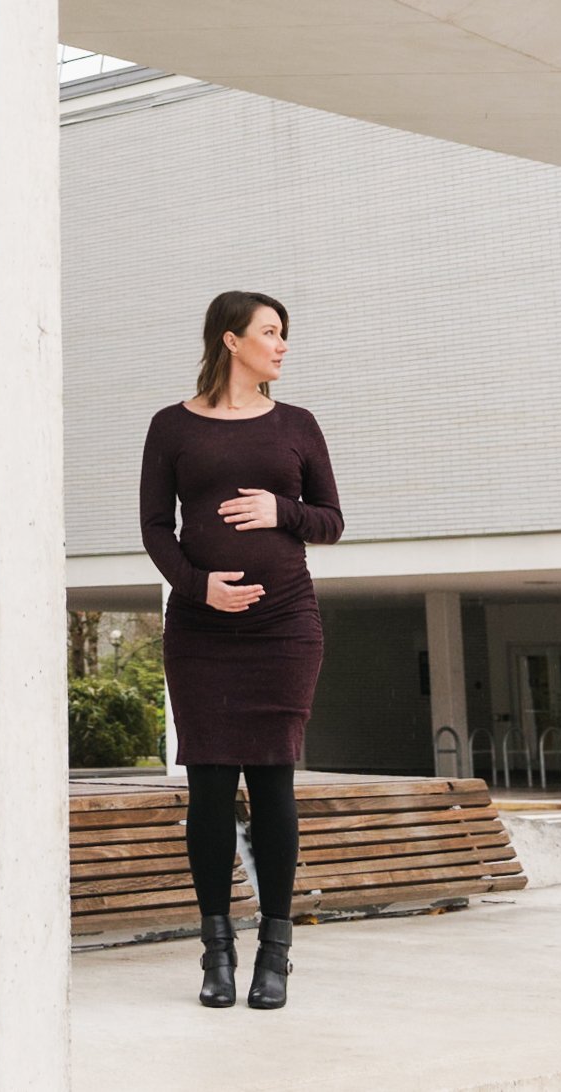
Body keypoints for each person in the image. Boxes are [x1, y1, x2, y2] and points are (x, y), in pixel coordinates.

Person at [138, 289, 343, 1010]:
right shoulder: (171, 427)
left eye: (283, 334)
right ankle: (216, 953)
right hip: (202, 632)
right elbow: (156, 529)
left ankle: (275, 956)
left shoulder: (296, 424)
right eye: (270, 332)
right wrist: (199, 588)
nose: (282, 345)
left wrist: (277, 510)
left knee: (274, 781)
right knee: (210, 789)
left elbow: (330, 520)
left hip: (284, 626)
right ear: (230, 340)